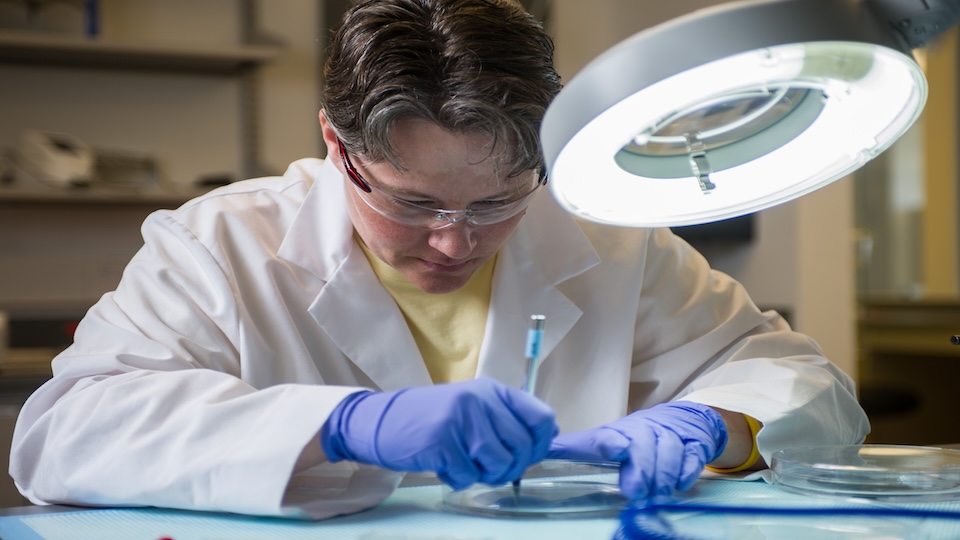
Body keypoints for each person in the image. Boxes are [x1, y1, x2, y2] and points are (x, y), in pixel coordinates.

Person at [9, 0, 869, 520]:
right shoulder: (221, 244)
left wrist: (715, 426)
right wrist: (341, 425)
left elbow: (807, 382)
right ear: (336, 147)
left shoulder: (611, 235)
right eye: (412, 204)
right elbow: (61, 436)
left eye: (498, 203)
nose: (455, 241)